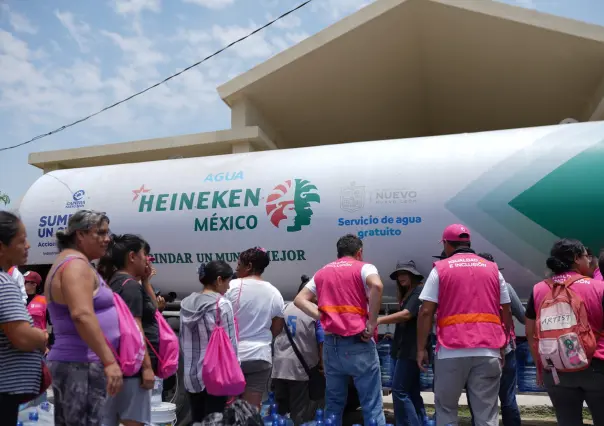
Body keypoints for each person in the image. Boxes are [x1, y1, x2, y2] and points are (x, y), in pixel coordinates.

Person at [416, 224, 513, 426]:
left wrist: (420, 349)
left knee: (446, 410)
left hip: (451, 351)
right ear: (468, 243)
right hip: (488, 350)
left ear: (446, 244)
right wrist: (503, 343)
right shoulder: (493, 269)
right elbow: (506, 310)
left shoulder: (441, 269)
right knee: (486, 414)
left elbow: (425, 311)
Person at [295, 234, 385, 426]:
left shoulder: (322, 272)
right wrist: (372, 322)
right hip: (358, 343)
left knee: (334, 403)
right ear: (359, 252)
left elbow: (300, 299)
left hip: (331, 346)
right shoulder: (365, 268)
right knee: (371, 403)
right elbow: (377, 285)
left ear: (338, 253)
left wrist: (322, 316)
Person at [45, 210, 123, 426]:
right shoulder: (76, 266)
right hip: (82, 365)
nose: (107, 239)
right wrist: (109, 362)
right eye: (101, 233)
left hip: (80, 365)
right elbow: (81, 314)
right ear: (80, 235)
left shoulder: (75, 263)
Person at [525, 239, 604, 426]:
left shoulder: (539, 289)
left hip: (555, 370)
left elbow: (531, 332)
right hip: (597, 367)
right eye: (586, 256)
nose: (589, 260)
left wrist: (540, 366)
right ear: (577, 259)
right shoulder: (598, 288)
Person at [99, 234, 159, 426]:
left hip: (120, 362)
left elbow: (154, 310)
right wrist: (147, 368)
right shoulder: (130, 287)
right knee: (134, 422)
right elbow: (135, 327)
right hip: (134, 368)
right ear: (132, 257)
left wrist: (146, 282)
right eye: (144, 255)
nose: (147, 260)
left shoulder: (116, 282)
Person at [467, 253, 524, 426]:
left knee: (478, 399)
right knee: (507, 398)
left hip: (478, 350)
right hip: (505, 348)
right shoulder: (505, 287)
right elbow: (522, 316)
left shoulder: (468, 290)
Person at [0, 211, 47, 423]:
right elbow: (22, 338)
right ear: (2, 246)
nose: (27, 245)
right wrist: (41, 336)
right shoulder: (4, 284)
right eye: (21, 240)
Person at [226, 247, 285, 408]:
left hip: (232, 357)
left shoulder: (230, 287)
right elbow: (277, 327)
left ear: (249, 266)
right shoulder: (274, 292)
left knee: (227, 408)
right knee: (251, 409)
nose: (236, 269)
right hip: (260, 357)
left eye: (239, 264)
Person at [181, 260, 237, 423]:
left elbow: (183, 340)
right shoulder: (222, 304)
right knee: (215, 420)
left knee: (197, 419)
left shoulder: (186, 303)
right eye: (228, 281)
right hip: (216, 376)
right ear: (219, 280)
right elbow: (230, 345)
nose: (228, 287)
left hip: (192, 376)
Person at [272, 275, 325, 426]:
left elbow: (274, 332)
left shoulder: (285, 307)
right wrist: (322, 365)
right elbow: (322, 343)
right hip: (300, 370)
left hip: (279, 368)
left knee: (280, 412)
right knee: (299, 413)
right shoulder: (315, 312)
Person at [378, 260, 426, 426]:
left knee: (399, 390)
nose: (401, 277)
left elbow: (406, 315)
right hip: (404, 346)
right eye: (399, 274)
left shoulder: (418, 290)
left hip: (410, 349)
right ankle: (421, 421)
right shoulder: (409, 293)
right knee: (412, 391)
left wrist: (378, 320)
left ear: (413, 275)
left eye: (405, 274)